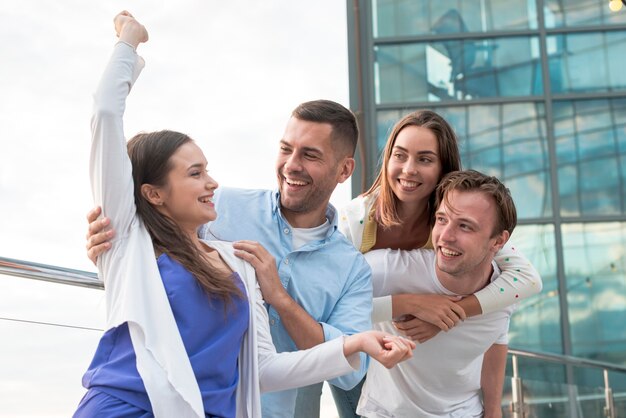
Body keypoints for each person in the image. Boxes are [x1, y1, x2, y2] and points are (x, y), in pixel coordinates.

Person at [75, 11, 414, 418]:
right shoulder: (167, 227)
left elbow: (271, 368)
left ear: (344, 170)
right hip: (126, 405)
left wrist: (350, 341)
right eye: (286, 149)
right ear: (154, 194)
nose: (213, 184)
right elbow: (106, 119)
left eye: (309, 154)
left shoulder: (245, 260)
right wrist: (129, 45)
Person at [330, 110, 542, 416]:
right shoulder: (358, 219)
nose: (409, 169)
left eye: (425, 159)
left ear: (444, 168)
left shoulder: (454, 220)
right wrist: (411, 303)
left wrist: (450, 314)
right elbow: (330, 307)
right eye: (399, 155)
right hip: (355, 356)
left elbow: (528, 280)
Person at [357, 169, 521, 417]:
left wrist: (494, 409)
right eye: (442, 219)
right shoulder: (389, 269)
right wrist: (407, 304)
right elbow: (327, 308)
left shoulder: (504, 290)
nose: (445, 237)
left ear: (498, 242)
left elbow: (496, 340)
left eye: (465, 226)